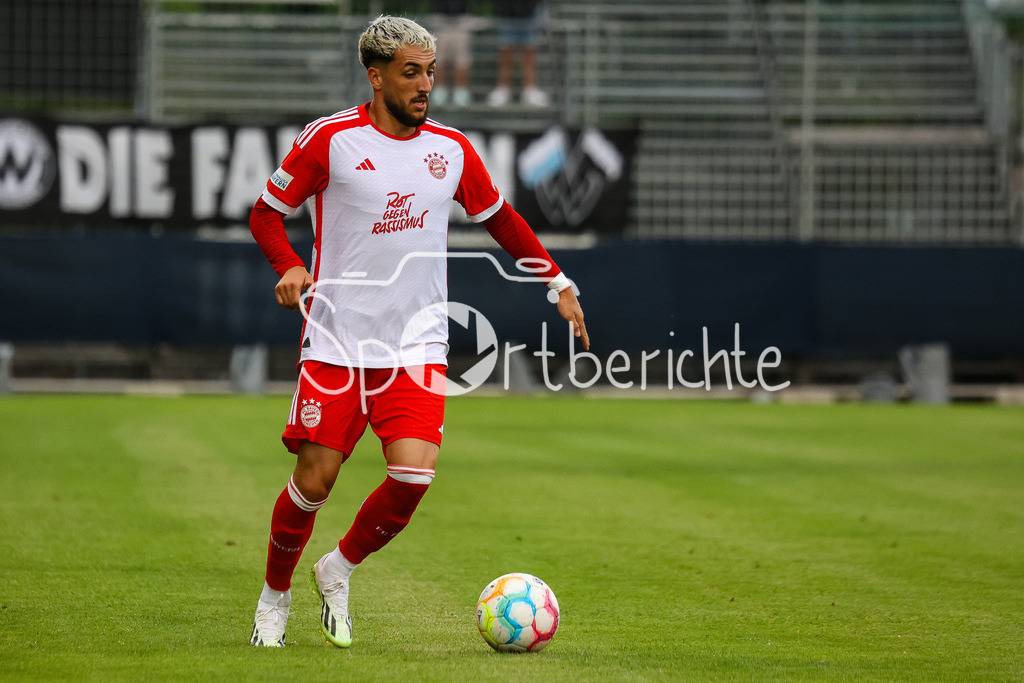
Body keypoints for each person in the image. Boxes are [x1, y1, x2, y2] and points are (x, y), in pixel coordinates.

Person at [246, 15, 588, 648]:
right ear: (376, 77)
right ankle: (274, 597)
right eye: (411, 73)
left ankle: (337, 568)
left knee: (413, 475)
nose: (425, 84)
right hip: (338, 339)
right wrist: (289, 264)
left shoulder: (450, 149)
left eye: (429, 72)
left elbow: (501, 219)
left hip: (416, 342)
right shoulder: (330, 140)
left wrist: (557, 283)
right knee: (315, 482)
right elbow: (266, 213)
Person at [487, 0, 549, 107]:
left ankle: (530, 90)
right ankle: (503, 90)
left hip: (529, 15)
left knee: (529, 53)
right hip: (506, 15)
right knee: (505, 53)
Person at [430, 0, 474, 107]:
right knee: (439, 57)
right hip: (441, 19)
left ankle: (460, 90)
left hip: (461, 19)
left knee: (462, 59)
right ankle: (440, 90)